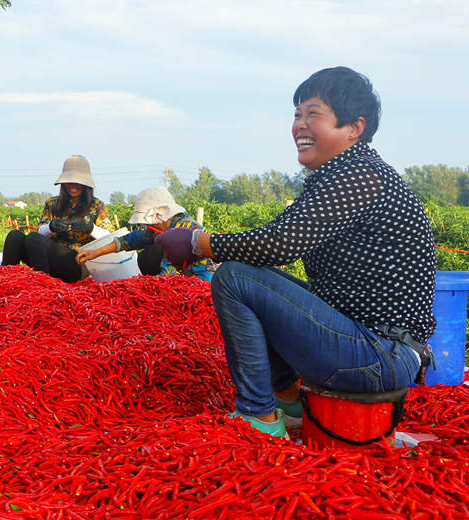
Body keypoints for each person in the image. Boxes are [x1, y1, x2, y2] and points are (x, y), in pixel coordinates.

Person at [155, 66, 435, 439]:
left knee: (235, 277)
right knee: (251, 278)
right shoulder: (343, 175)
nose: (300, 125)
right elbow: (274, 240)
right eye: (297, 114)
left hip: (379, 354)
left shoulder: (359, 176)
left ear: (354, 128)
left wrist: (197, 243)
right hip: (372, 347)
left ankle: (260, 415)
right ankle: (287, 400)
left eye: (313, 114)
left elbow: (276, 245)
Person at [2, 155, 112, 282]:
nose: (73, 186)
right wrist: (51, 227)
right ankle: (6, 281)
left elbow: (109, 237)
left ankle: (43, 285)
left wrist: (90, 228)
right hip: (48, 259)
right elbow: (40, 232)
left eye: (78, 182)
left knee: (33, 238)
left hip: (78, 263)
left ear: (85, 184)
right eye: (69, 181)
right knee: (15, 236)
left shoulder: (96, 205)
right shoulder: (53, 203)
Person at [75, 187, 213, 281]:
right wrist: (94, 253)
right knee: (145, 257)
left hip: (203, 280)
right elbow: (130, 240)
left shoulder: (185, 230)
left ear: (159, 215)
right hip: (186, 279)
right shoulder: (162, 227)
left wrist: (148, 286)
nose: (148, 226)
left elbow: (169, 272)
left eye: (150, 222)